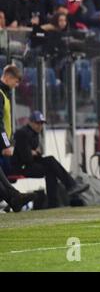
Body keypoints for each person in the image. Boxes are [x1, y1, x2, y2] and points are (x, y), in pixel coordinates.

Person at [10, 111, 89, 208]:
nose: (40, 126)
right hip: (21, 167)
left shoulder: (35, 134)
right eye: (37, 123)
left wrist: (34, 152)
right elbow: (27, 158)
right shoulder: (22, 133)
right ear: (30, 122)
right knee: (50, 166)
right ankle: (68, 188)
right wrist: (33, 152)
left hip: (29, 163)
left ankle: (56, 201)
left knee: (51, 164)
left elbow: (34, 155)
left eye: (41, 123)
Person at [0, 64, 35, 212]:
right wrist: (6, 144)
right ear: (8, 77)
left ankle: (14, 198)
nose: (17, 85)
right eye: (16, 81)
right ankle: (14, 198)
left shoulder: (4, 94)